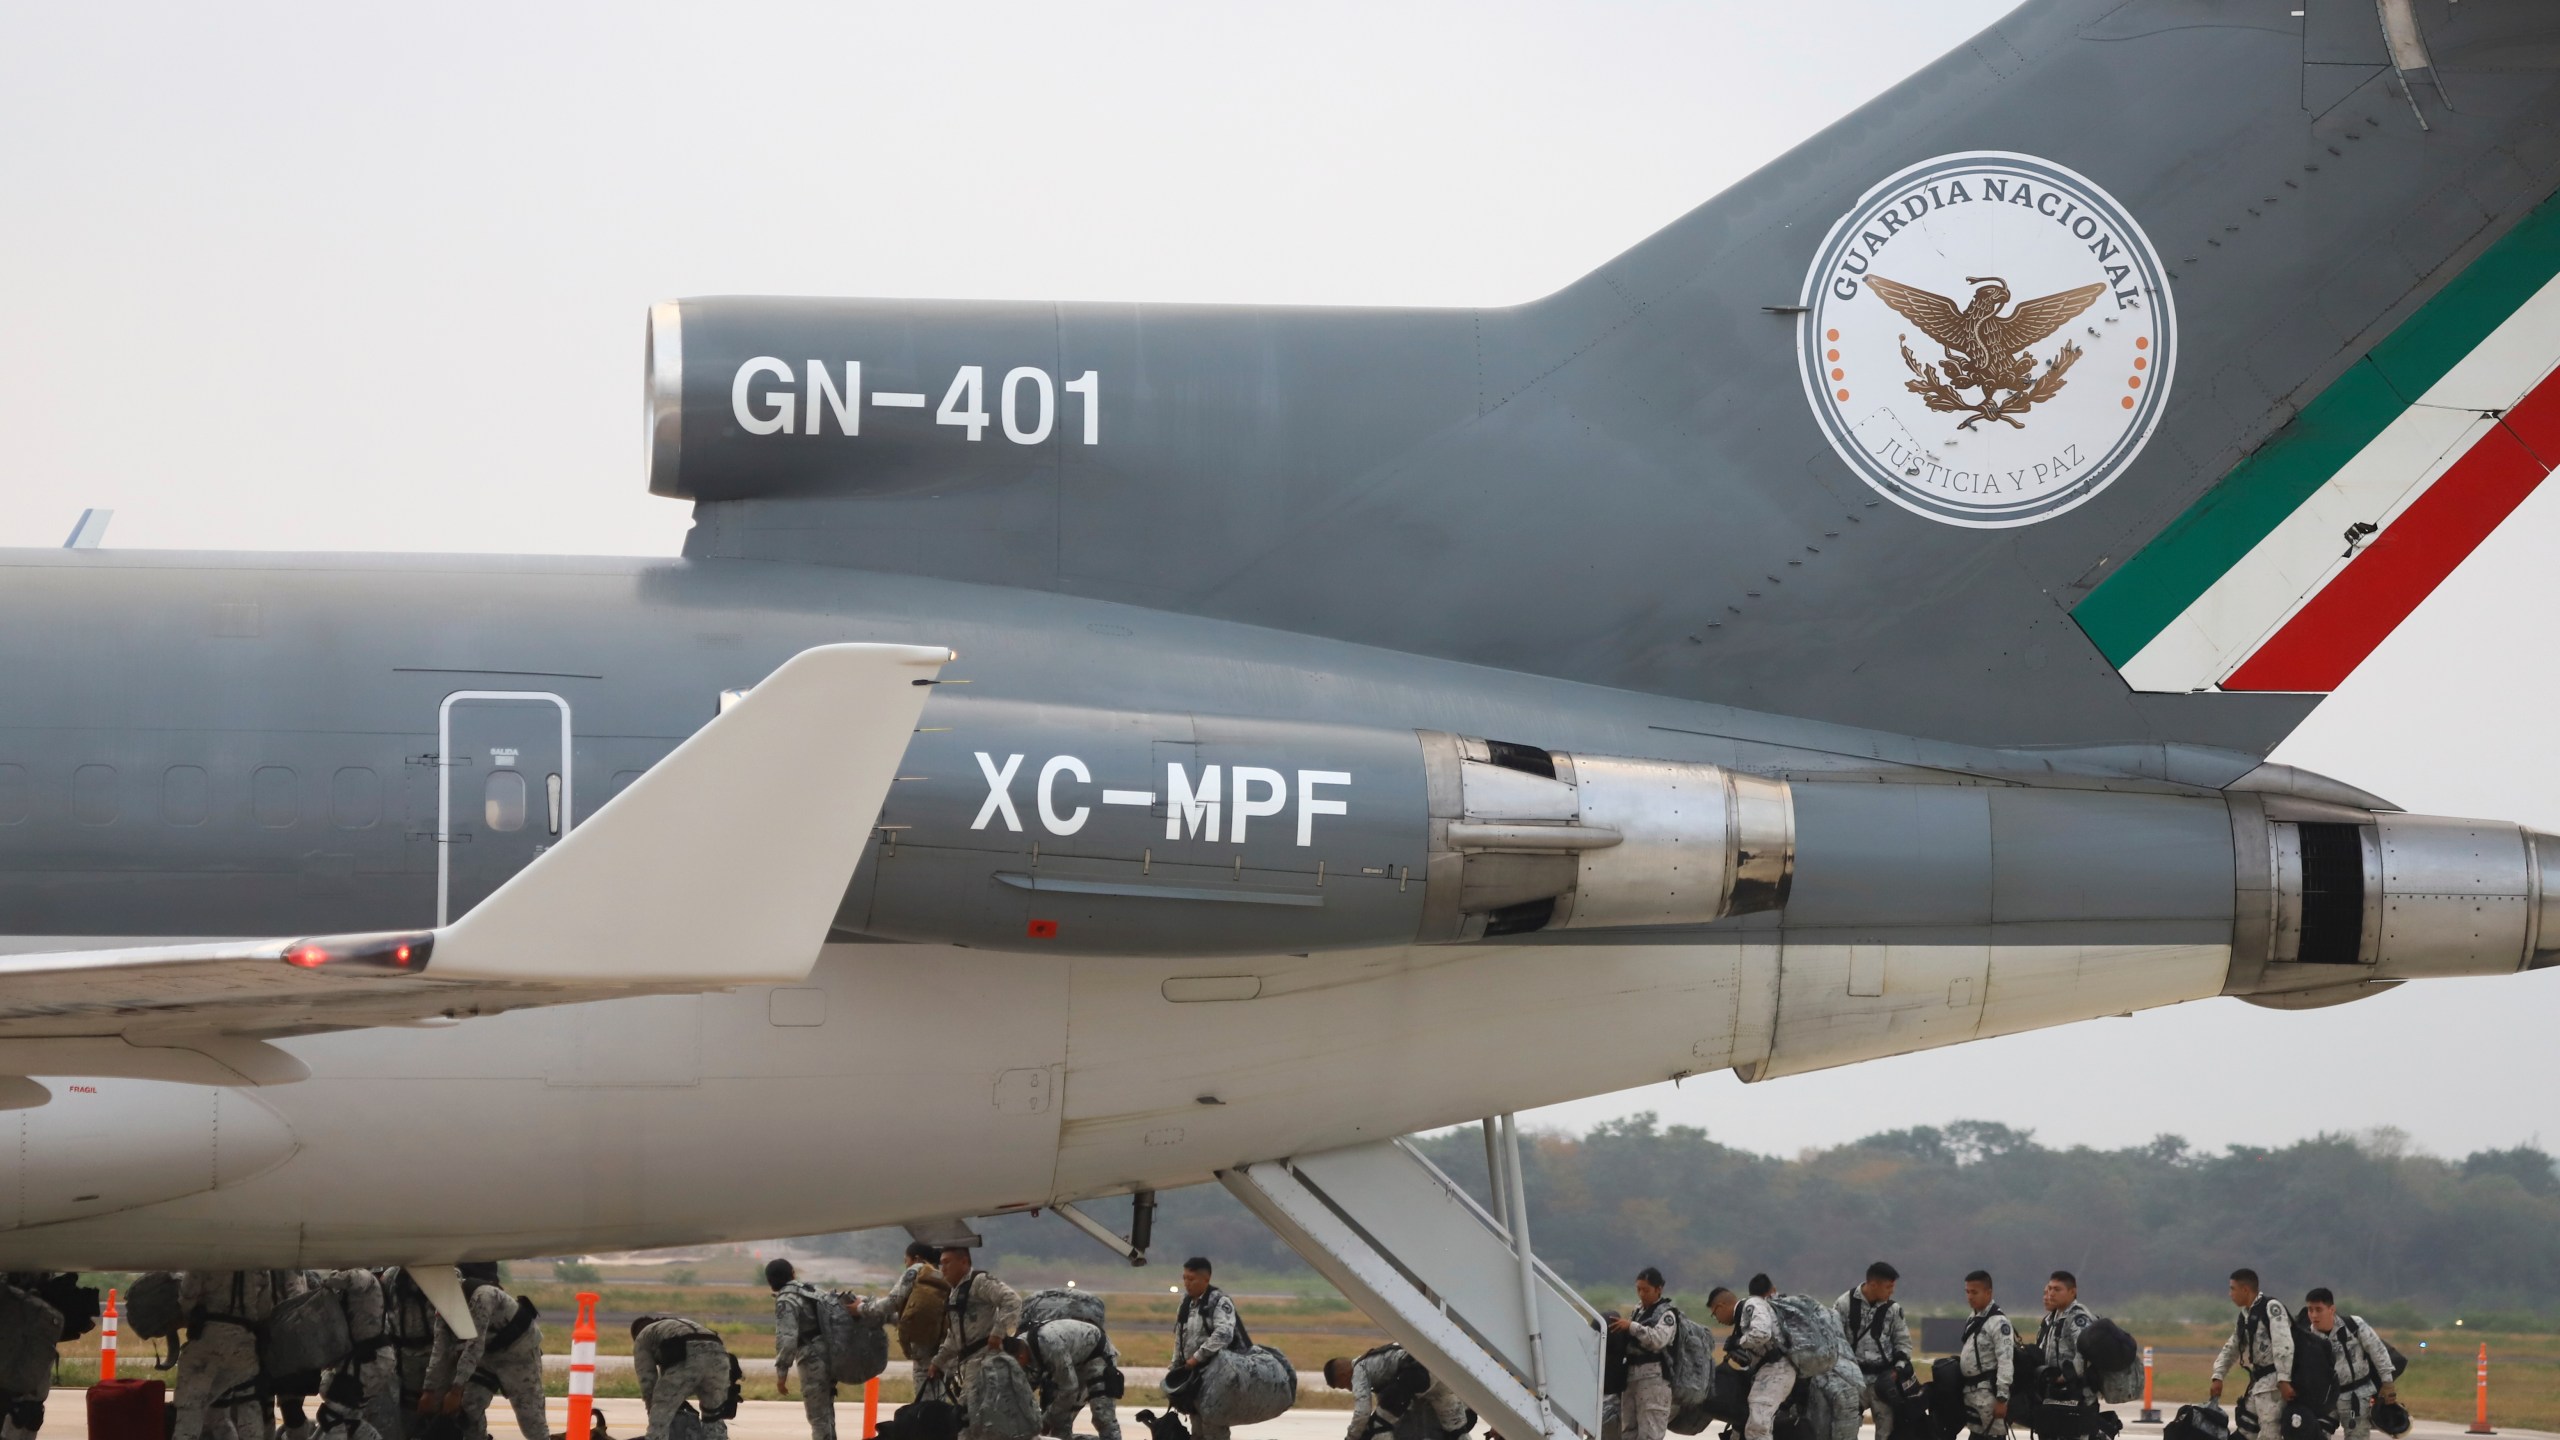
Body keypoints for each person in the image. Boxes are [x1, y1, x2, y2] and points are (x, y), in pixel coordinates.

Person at [175, 1270, 309, 1440]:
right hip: (244, 1345)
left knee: (192, 1409)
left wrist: (191, 1313)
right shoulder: (259, 1269)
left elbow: (187, 1295)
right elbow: (264, 1309)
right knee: (249, 1408)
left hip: (208, 1341)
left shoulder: (207, 1260)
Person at [421, 1264, 545, 1440]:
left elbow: (474, 1345)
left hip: (518, 1353)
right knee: (469, 1407)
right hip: (487, 1354)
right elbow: (440, 1350)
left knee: (530, 1419)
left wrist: (456, 1390)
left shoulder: (483, 1296)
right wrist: (429, 1391)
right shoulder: (444, 1307)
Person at [312, 1269, 401, 1440]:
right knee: (349, 1420)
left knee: (331, 1416)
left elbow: (345, 1279)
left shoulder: (365, 1278)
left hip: (371, 1360)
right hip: (367, 1359)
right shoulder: (354, 1286)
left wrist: (322, 1275)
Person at [2208, 1269, 2295, 1437]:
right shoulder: (2246, 1316)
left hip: (2274, 1386)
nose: (2230, 1294)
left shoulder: (2271, 1308)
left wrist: (2284, 1380)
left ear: (2245, 1290)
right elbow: (2232, 1347)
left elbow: (2284, 1344)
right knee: (2245, 1431)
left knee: (2270, 1434)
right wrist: (2218, 1375)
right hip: (2259, 1385)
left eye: (2232, 1289)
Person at [2301, 1290, 2399, 1440]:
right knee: (2314, 1435)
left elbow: (2378, 1352)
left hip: (2357, 1398)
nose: (2313, 1315)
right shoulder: (2307, 1338)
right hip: (2326, 1401)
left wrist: (2388, 1383)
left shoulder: (2354, 1326)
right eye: (2310, 1310)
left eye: (2318, 1309)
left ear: (2331, 1309)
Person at [928, 1250, 1023, 1402]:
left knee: (969, 1414)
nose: (943, 1268)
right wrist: (937, 1362)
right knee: (968, 1414)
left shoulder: (980, 1281)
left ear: (964, 1262)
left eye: (947, 1262)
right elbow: (954, 1336)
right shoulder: (955, 1292)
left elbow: (1012, 1300)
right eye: (941, 1263)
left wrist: (997, 1333)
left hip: (984, 1359)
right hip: (967, 1363)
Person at [770, 1259, 850, 1440]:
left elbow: (787, 1339)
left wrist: (781, 1374)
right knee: (827, 1412)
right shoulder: (811, 1291)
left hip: (812, 1359)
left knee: (817, 1416)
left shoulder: (786, 1299)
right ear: (792, 1273)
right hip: (830, 1353)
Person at [1325, 1345, 1468, 1440]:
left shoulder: (1358, 1370)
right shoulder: (1376, 1357)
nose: (1349, 1389)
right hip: (1437, 1374)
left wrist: (1351, 1437)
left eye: (1343, 1386)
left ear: (1343, 1375)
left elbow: (1362, 1413)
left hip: (1417, 1373)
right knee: (1456, 1430)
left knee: (1378, 1427)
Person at [1171, 1259, 1245, 1440]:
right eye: (1185, 1278)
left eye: (1192, 1279)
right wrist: (1175, 1367)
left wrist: (1197, 1357)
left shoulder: (1219, 1302)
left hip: (1217, 1375)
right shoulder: (1186, 1302)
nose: (1187, 1283)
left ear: (1206, 1279)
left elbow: (1224, 1334)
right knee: (1196, 1429)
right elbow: (1180, 1335)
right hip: (1194, 1376)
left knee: (1214, 1428)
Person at [1837, 1262, 1912, 1440]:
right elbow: (1835, 1341)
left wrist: (1898, 1370)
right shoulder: (1844, 1304)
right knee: (1845, 1431)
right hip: (1852, 1381)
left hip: (1883, 1382)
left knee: (1887, 1432)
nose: (1891, 1291)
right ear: (1873, 1284)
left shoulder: (1893, 1310)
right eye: (1888, 1287)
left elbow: (1903, 1344)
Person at [632, 1314, 735, 1440]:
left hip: (690, 1357)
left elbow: (647, 1381)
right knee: (713, 1417)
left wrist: (654, 1411)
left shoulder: (643, 1336)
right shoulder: (673, 1326)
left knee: (660, 1417)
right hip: (720, 1358)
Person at [1720, 1275, 1795, 1440]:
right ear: (1772, 1290)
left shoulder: (1755, 1304)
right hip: (1778, 1371)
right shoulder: (1778, 1309)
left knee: (1757, 1427)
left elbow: (1761, 1333)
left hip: (1776, 1371)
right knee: (1754, 1426)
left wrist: (1739, 1342)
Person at [1608, 1269, 1679, 1440]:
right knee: (1628, 1431)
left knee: (1650, 1432)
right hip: (1632, 1377)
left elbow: (1658, 1339)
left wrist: (1632, 1327)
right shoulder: (1638, 1311)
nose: (1641, 1294)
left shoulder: (1667, 1314)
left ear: (1659, 1289)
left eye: (1646, 1290)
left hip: (1654, 1380)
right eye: (1638, 1289)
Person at [1028, 1315, 1122, 1440]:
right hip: (1070, 1359)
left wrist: (1046, 1420)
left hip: (1098, 1355)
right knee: (1060, 1424)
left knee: (1103, 1416)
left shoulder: (1050, 1344)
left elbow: (1069, 1389)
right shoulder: (1020, 1350)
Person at [374, 1270, 441, 1440]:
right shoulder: (391, 1278)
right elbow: (383, 1313)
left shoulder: (441, 1275)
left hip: (437, 1355)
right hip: (404, 1358)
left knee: (441, 1413)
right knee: (408, 1413)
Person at [1954, 1271, 2014, 1440]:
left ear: (1988, 1293)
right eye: (1967, 1292)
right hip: (1972, 1394)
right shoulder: (1974, 1317)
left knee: (1993, 1436)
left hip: (1989, 1396)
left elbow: (2005, 1361)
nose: (1970, 1297)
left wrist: (2002, 1398)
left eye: (1974, 1292)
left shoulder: (1998, 1322)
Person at [889, 1245, 953, 1395]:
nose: (906, 1265)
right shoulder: (944, 1280)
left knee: (925, 1405)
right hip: (943, 1351)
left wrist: (862, 1308)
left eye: (906, 1260)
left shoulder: (918, 1271)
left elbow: (891, 1303)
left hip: (923, 1355)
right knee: (940, 1402)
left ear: (916, 1259)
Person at [2035, 1273, 2095, 1392]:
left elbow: (2087, 1353)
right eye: (2050, 1289)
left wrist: (2064, 1377)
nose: (2051, 1293)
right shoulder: (2053, 1318)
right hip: (2055, 1391)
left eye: (2057, 1289)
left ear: (2072, 1292)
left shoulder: (2078, 1318)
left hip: (2076, 1392)